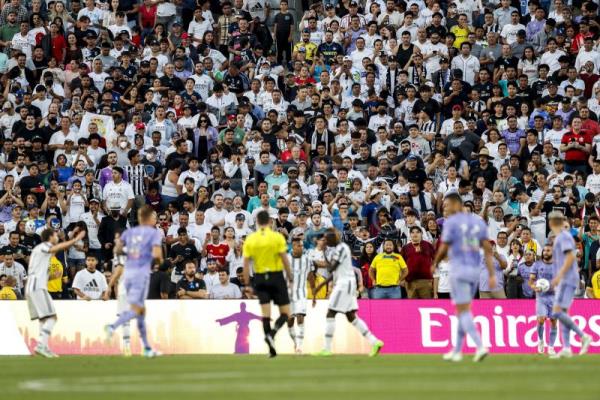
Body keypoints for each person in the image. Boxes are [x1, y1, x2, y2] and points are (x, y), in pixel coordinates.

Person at [431, 193, 495, 362]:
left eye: (446, 205)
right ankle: (457, 350)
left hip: (458, 270)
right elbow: (488, 249)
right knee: (461, 310)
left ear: (455, 204)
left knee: (463, 310)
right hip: (474, 272)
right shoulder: (477, 222)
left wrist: (435, 263)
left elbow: (444, 246)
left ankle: (480, 346)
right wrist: (491, 273)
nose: (444, 208)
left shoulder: (451, 222)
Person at [312, 228, 384, 357]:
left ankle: (327, 349)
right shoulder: (337, 250)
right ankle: (375, 341)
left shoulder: (341, 248)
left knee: (331, 312)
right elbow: (333, 272)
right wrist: (320, 286)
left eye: (328, 237)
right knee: (351, 316)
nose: (327, 240)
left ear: (335, 237)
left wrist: (322, 251)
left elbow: (331, 267)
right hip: (347, 284)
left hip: (344, 285)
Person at [104, 206, 164, 358]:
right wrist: (157, 260)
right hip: (140, 274)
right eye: (155, 217)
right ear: (150, 218)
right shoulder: (153, 233)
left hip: (127, 276)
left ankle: (147, 349)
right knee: (137, 310)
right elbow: (157, 255)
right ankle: (112, 327)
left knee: (141, 311)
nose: (155, 219)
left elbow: (118, 250)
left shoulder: (129, 232)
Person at [26, 227, 86, 357]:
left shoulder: (41, 253)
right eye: (55, 235)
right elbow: (56, 248)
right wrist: (75, 239)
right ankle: (41, 346)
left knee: (43, 318)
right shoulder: (44, 246)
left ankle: (44, 347)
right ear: (50, 237)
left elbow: (40, 272)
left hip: (33, 286)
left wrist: (53, 276)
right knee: (52, 317)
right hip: (37, 286)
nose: (57, 237)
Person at [242, 210, 292, 357]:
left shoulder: (251, 239)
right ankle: (272, 333)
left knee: (266, 315)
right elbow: (284, 259)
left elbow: (246, 264)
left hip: (260, 278)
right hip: (276, 277)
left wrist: (247, 285)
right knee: (285, 313)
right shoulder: (277, 237)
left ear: (257, 222)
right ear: (270, 222)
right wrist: (290, 277)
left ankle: (271, 350)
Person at [547, 211, 592, 359]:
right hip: (567, 278)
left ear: (551, 222)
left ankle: (583, 336)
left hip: (566, 279)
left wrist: (559, 276)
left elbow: (570, 257)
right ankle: (566, 348)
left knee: (556, 312)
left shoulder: (563, 237)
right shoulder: (563, 236)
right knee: (563, 313)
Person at [286, 236, 314, 354]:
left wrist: (314, 293)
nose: (301, 247)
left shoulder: (307, 259)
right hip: (288, 294)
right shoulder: (286, 259)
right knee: (290, 321)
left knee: (300, 317)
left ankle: (299, 347)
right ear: (293, 246)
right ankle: (295, 342)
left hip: (301, 293)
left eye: (302, 245)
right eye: (299, 245)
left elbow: (311, 275)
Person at [528, 244, 558, 356]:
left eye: (548, 250)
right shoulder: (537, 264)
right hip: (541, 297)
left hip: (554, 297)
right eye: (544, 250)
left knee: (554, 321)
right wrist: (533, 287)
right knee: (541, 319)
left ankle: (551, 347)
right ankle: (541, 341)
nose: (545, 252)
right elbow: (531, 281)